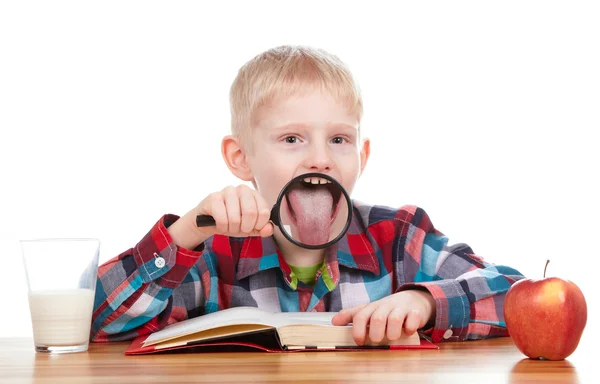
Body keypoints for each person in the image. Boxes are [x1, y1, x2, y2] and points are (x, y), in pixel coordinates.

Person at [91, 45, 524, 345]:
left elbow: (518, 295)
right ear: (241, 158)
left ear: (362, 155)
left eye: (338, 139)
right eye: (293, 139)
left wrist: (424, 301)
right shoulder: (209, 255)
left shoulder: (398, 238)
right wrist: (186, 231)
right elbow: (96, 320)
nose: (320, 158)